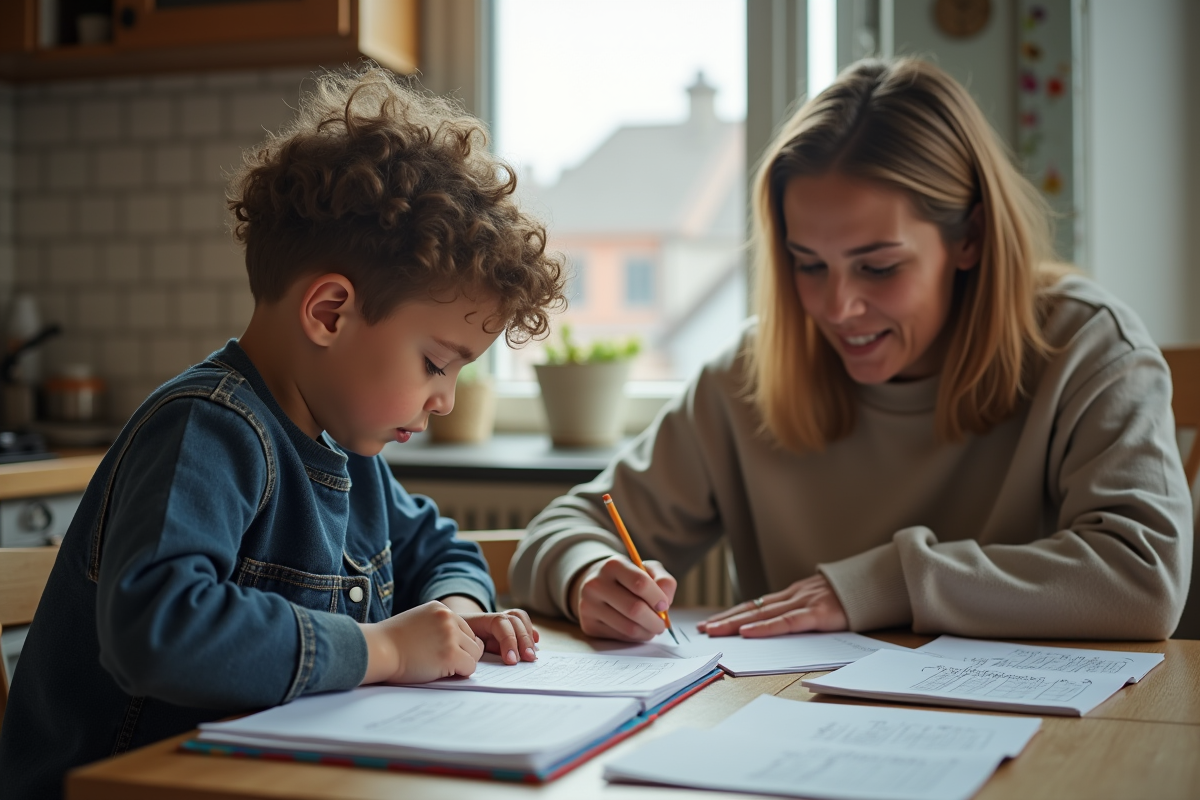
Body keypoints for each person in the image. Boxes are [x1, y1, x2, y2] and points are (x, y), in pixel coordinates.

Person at [0, 67, 565, 800]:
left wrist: (456, 616)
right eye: (435, 363)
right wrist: (384, 648)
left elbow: (440, 547)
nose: (445, 402)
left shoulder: (343, 449)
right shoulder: (208, 430)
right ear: (330, 312)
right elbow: (160, 626)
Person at [510, 57, 1192, 645]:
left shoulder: (1088, 349)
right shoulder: (752, 374)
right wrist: (589, 575)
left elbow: (1142, 579)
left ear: (970, 238)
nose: (837, 308)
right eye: (809, 264)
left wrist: (888, 582)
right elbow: (564, 528)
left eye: (878, 266)